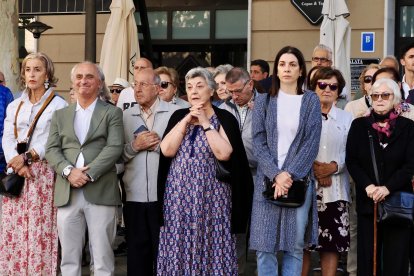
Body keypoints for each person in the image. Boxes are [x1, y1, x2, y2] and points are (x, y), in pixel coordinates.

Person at [157, 67, 253, 275]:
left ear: (212, 91)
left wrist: (204, 122)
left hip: (212, 197)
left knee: (211, 244)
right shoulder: (178, 115)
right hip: (178, 197)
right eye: (190, 87)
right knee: (178, 243)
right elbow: (166, 150)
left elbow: (224, 153)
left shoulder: (224, 118)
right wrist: (186, 121)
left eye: (200, 86)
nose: (194, 91)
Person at [45, 61, 124, 276]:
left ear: (99, 83)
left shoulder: (112, 113)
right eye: (79, 76)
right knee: (69, 258)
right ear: (72, 82)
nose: (83, 81)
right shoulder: (60, 115)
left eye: (89, 76)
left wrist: (88, 173)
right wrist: (69, 172)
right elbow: (51, 149)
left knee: (102, 258)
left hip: (100, 190)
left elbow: (115, 146)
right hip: (67, 191)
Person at [250, 46, 321, 276]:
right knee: (264, 246)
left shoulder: (311, 101)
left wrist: (288, 175)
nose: (287, 69)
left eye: (292, 64)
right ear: (276, 70)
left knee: (294, 247)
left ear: (301, 70)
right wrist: (276, 174)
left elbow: (311, 144)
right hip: (267, 182)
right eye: (282, 64)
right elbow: (258, 141)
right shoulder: (264, 101)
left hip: (298, 182)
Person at [0, 52, 68, 275]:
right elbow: (8, 135)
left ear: (47, 73)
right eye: (28, 69)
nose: (32, 74)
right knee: (13, 230)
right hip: (16, 172)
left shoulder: (58, 104)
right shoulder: (15, 104)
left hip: (42, 173)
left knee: (39, 230)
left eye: (37, 69)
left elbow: (52, 138)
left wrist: (28, 158)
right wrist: (16, 161)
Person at [346, 78, 414, 276]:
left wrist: (387, 188)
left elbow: (410, 165)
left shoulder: (408, 127)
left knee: (396, 258)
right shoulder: (359, 126)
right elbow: (352, 160)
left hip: (398, 202)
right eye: (376, 95)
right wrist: (368, 186)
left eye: (386, 95)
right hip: (369, 201)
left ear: (395, 99)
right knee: (368, 258)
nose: (380, 99)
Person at [121, 68, 178, 275]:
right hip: (134, 197)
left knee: (164, 255)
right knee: (137, 257)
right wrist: (134, 146)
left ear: (157, 87)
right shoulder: (125, 116)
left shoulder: (175, 114)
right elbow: (117, 158)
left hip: (165, 197)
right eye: (135, 84)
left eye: (143, 84)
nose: (137, 89)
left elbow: (181, 155)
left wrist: (156, 146)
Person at [302, 67, 352, 276]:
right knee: (301, 243)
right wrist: (316, 170)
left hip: (336, 190)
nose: (327, 89)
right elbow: (295, 148)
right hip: (305, 188)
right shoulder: (302, 116)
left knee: (331, 245)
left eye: (333, 86)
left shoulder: (347, 118)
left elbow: (353, 152)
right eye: (322, 85)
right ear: (313, 88)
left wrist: (333, 167)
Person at [219, 67, 257, 274]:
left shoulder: (266, 105)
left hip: (260, 175)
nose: (234, 96)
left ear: (250, 84)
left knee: (260, 232)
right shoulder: (223, 108)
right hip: (232, 177)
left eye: (238, 91)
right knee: (237, 229)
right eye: (230, 91)